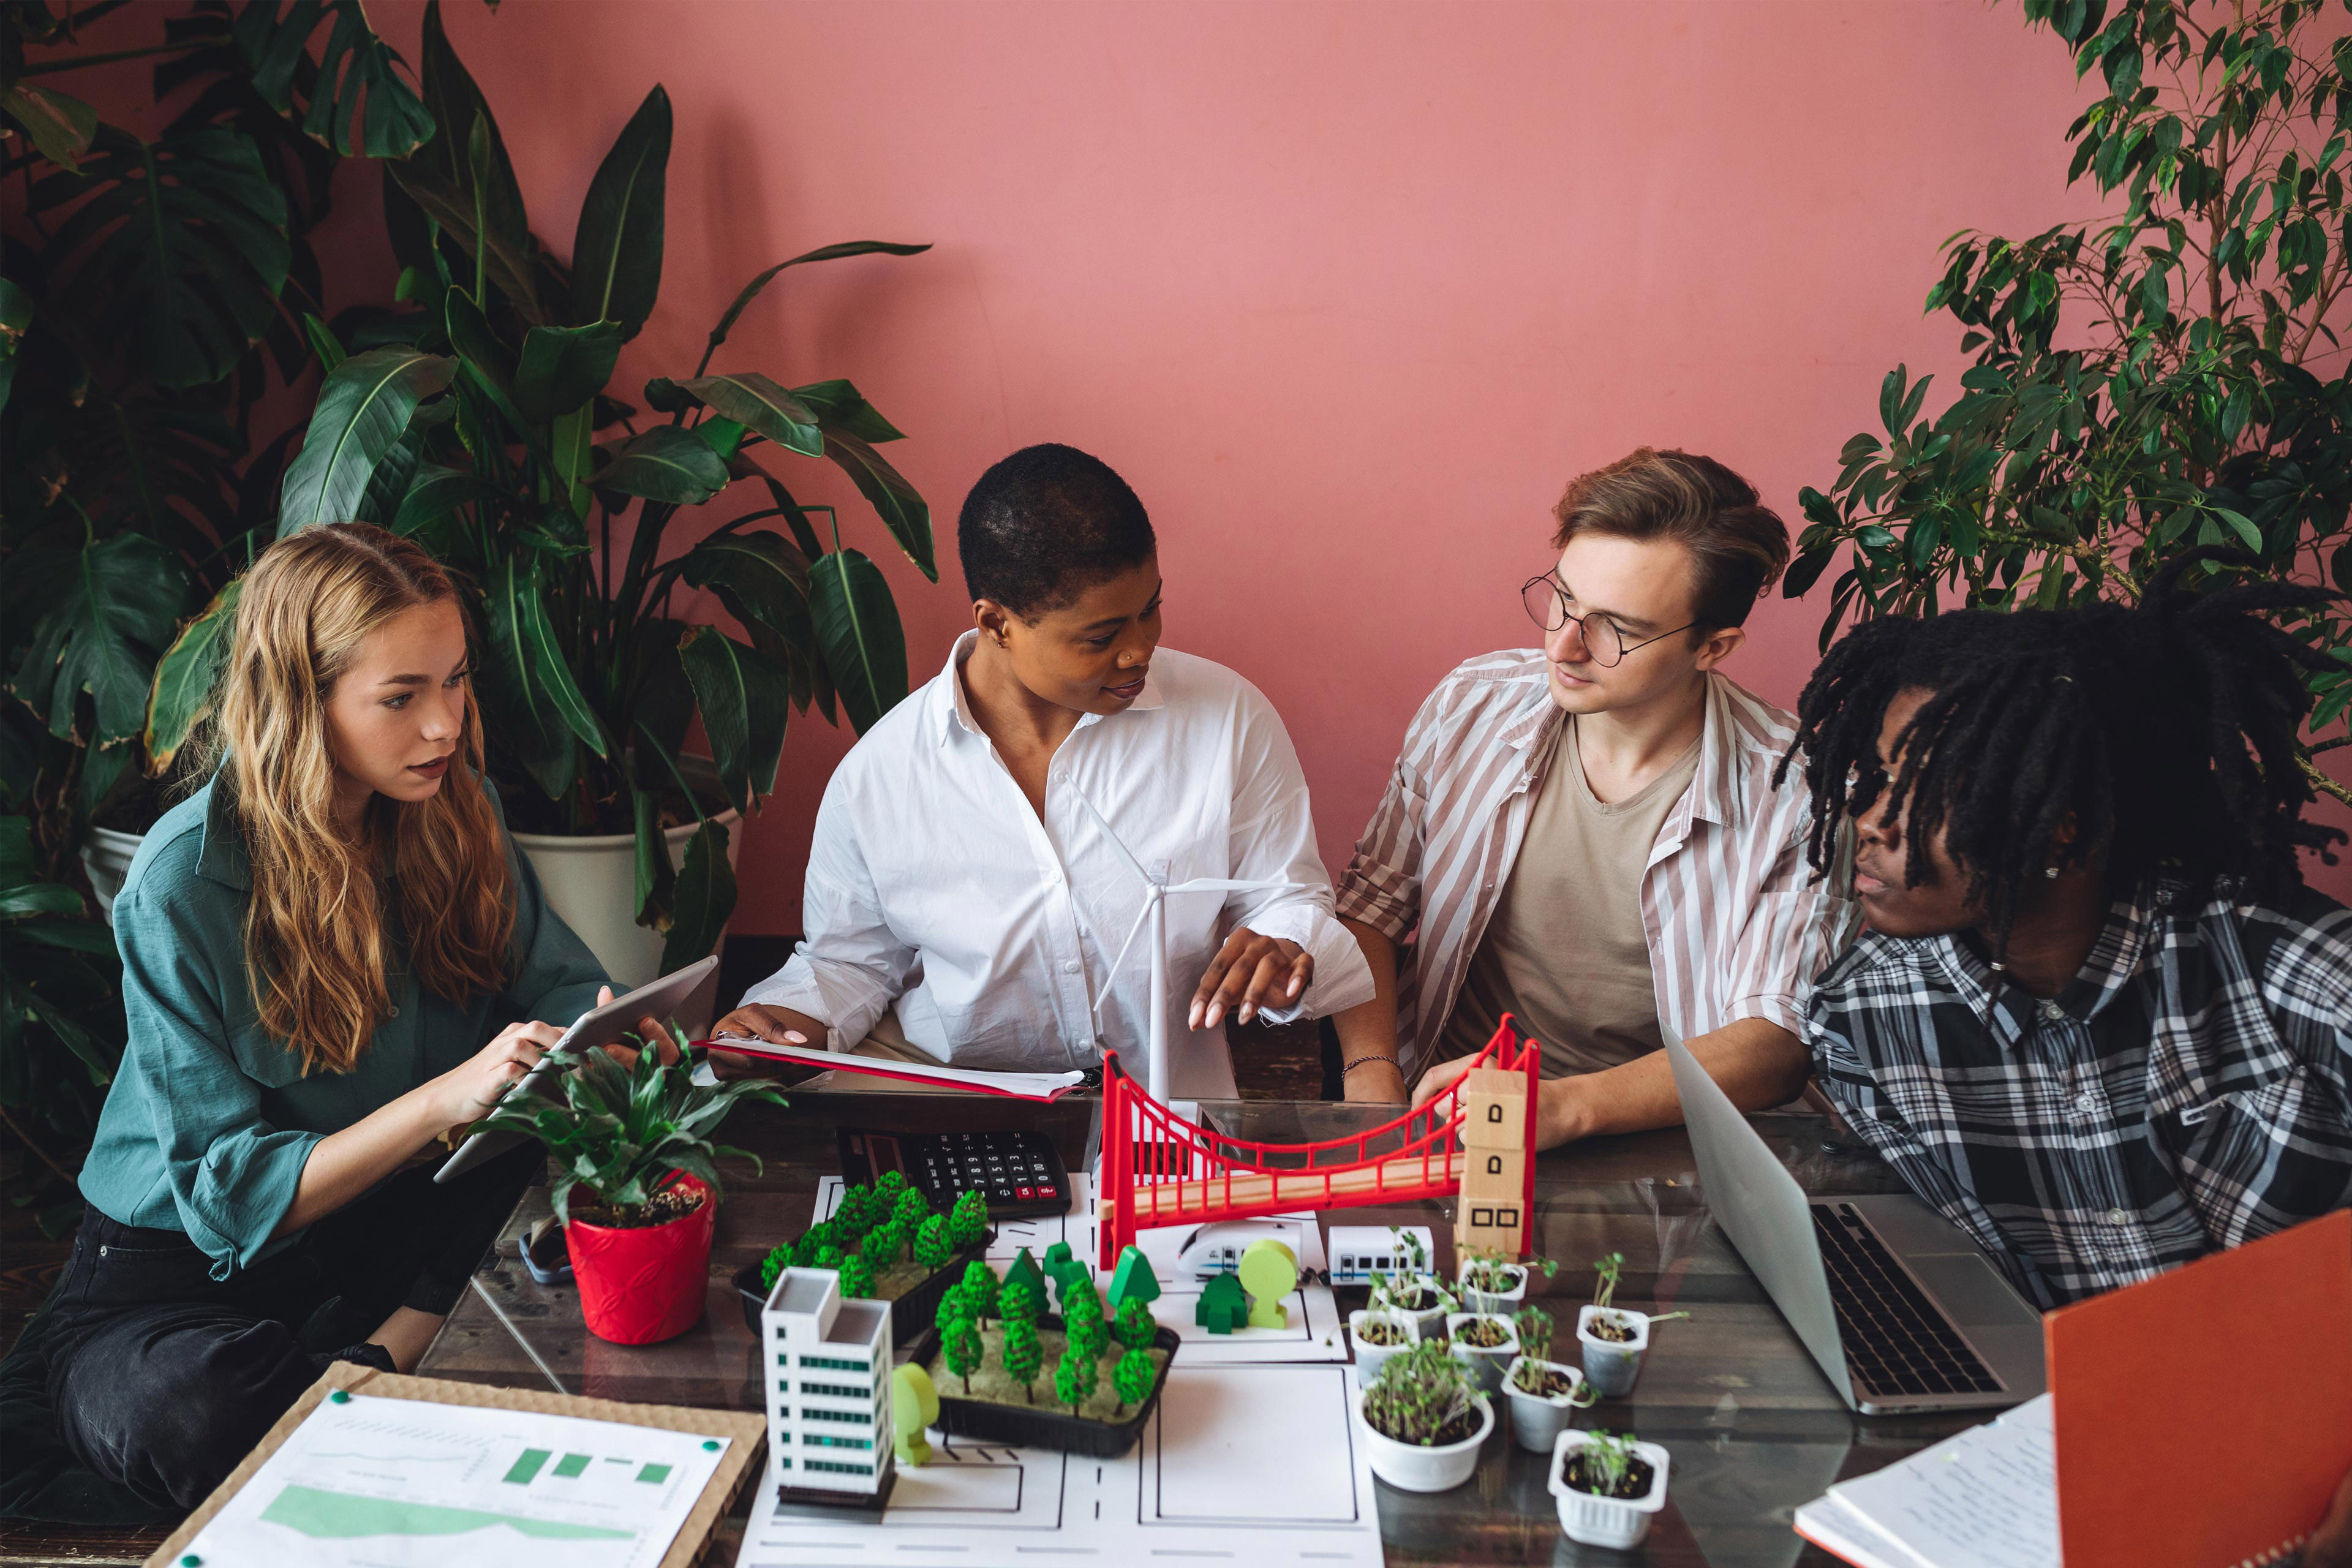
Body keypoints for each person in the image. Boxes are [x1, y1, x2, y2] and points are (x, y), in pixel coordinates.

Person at [42, 524, 619, 1510]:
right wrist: (446, 1097)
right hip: (180, 1282)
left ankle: (379, 1363)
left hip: (384, 1234)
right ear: (302, 703)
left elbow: (565, 993)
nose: (444, 726)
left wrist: (608, 1038)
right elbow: (225, 1197)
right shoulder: (182, 882)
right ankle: (387, 1371)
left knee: (568, 1149)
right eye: (401, 698)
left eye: (455, 680)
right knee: (185, 1408)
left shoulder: (453, 809)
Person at [714, 443, 1373, 1100]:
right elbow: (849, 965)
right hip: (959, 1124)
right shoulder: (878, 781)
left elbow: (1288, 897)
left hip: (1167, 1126)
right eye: (1102, 636)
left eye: (1151, 609)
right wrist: (770, 1031)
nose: (1140, 649)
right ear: (996, 624)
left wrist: (1284, 944)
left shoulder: (1228, 718)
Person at [1782, 555, 2351, 1311]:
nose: (1872, 824)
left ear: (2058, 827)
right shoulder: (1864, 1023)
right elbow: (1984, 1290)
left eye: (1926, 795)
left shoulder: (2294, 968)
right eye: (1880, 781)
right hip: (2056, 1401)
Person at [1335, 447, 1856, 1132]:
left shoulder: (1800, 791)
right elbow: (1371, 906)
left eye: (1618, 628)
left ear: (1713, 648)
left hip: (1659, 1145)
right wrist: (1371, 1073)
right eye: (1564, 599)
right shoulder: (1472, 704)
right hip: (1441, 1111)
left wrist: (1564, 1107)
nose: (1563, 646)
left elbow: (1774, 1041)